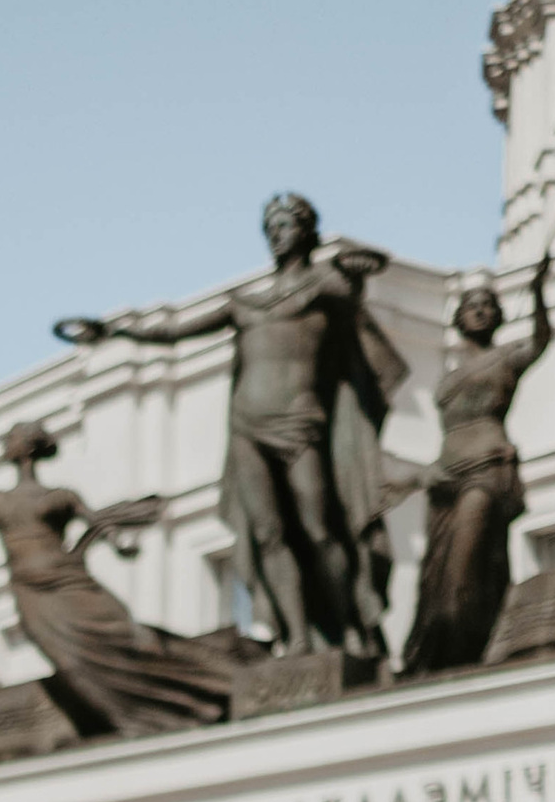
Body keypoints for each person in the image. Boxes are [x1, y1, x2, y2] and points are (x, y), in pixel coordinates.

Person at [61, 193, 404, 658]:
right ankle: (297, 637)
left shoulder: (323, 287)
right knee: (268, 534)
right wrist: (115, 331)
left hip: (301, 422)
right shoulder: (244, 305)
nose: (276, 236)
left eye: (285, 225)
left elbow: (353, 303)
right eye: (270, 228)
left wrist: (354, 271)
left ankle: (352, 624)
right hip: (247, 425)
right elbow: (175, 332)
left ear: (307, 231)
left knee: (320, 528)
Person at [0, 424, 235, 742]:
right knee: (72, 660)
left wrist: (118, 544)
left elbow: (96, 521)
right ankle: (137, 718)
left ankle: (211, 684)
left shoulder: (60, 496)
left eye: (13, 438)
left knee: (128, 638)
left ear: (27, 448)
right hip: (32, 593)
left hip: (68, 582)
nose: (7, 443)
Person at [400, 258, 555, 679]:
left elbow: (541, 341)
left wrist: (539, 293)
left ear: (500, 315)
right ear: (458, 318)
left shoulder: (507, 356)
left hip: (486, 472)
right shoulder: (446, 380)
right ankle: (436, 655)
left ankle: (468, 644)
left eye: (489, 304)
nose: (481, 309)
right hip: (446, 481)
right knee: (436, 577)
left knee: (465, 566)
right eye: (473, 304)